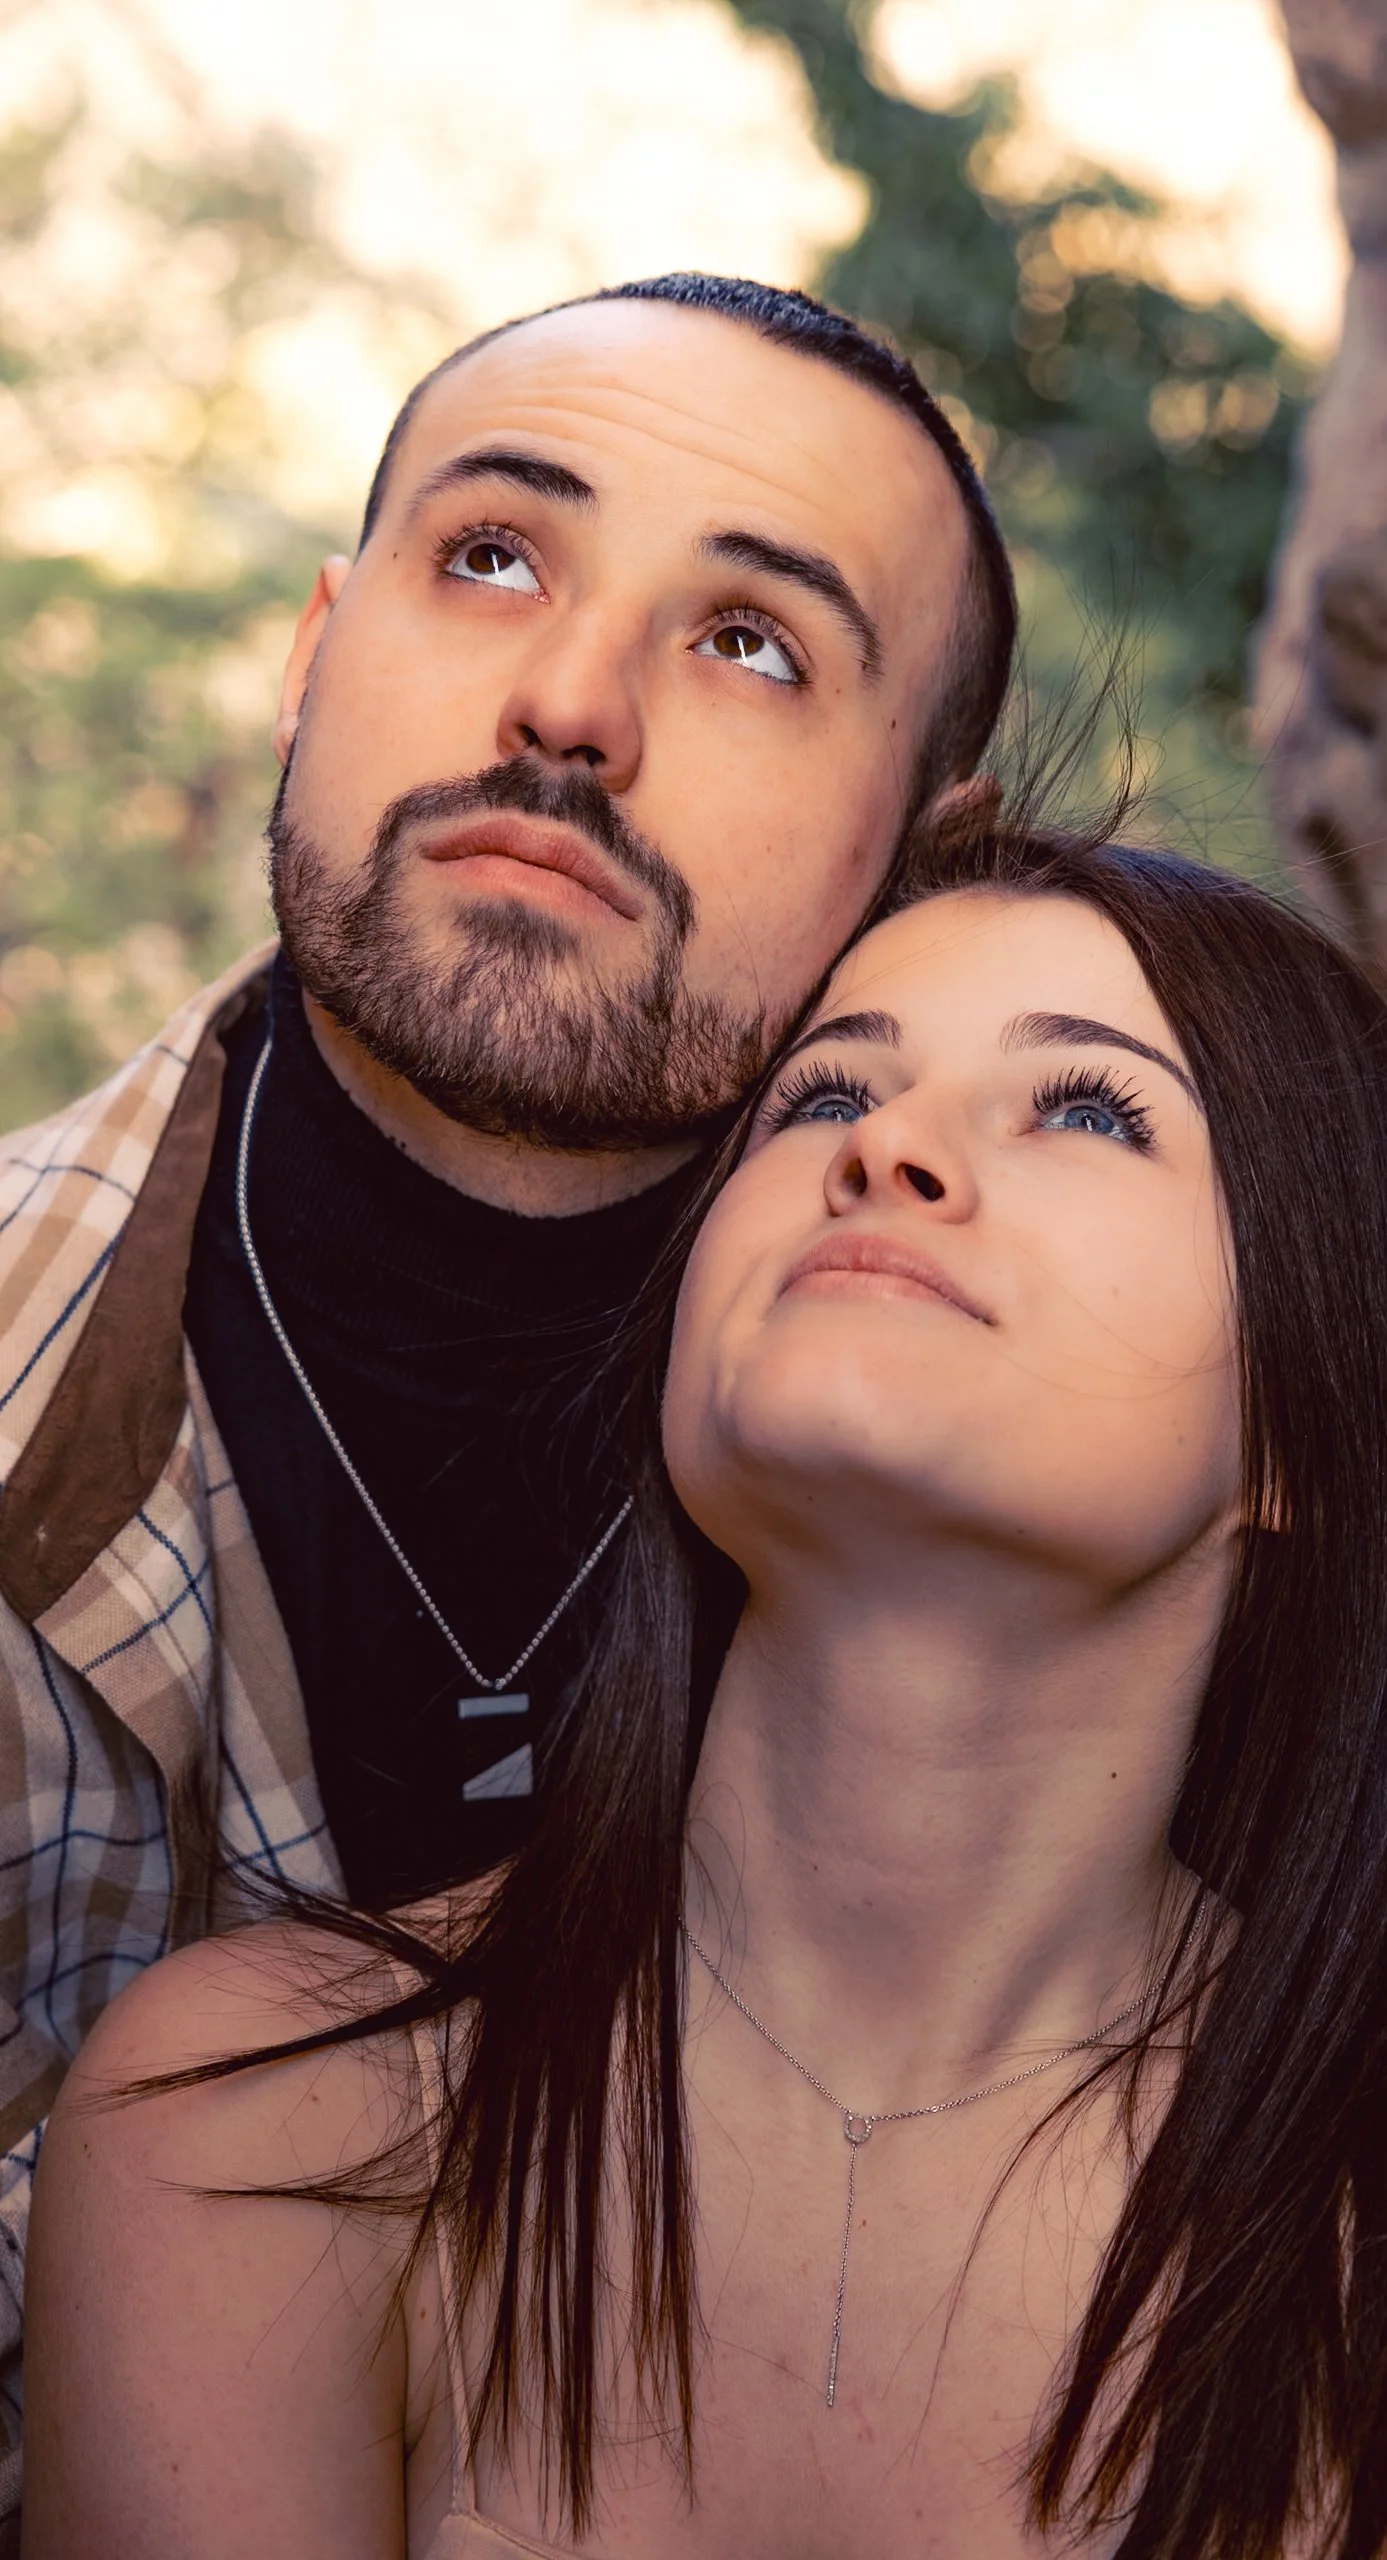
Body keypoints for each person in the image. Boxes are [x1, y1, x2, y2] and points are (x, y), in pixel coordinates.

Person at [28, 830, 1387, 2558]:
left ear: (1310, 1414)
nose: (888, 1146)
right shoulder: (243, 2121)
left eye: (1089, 1109)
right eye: (824, 1096)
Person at [0, 271, 1015, 2493]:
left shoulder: (1063, 1532)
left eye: (751, 641)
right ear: (307, 659)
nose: (568, 705)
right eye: (491, 557)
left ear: (929, 854)